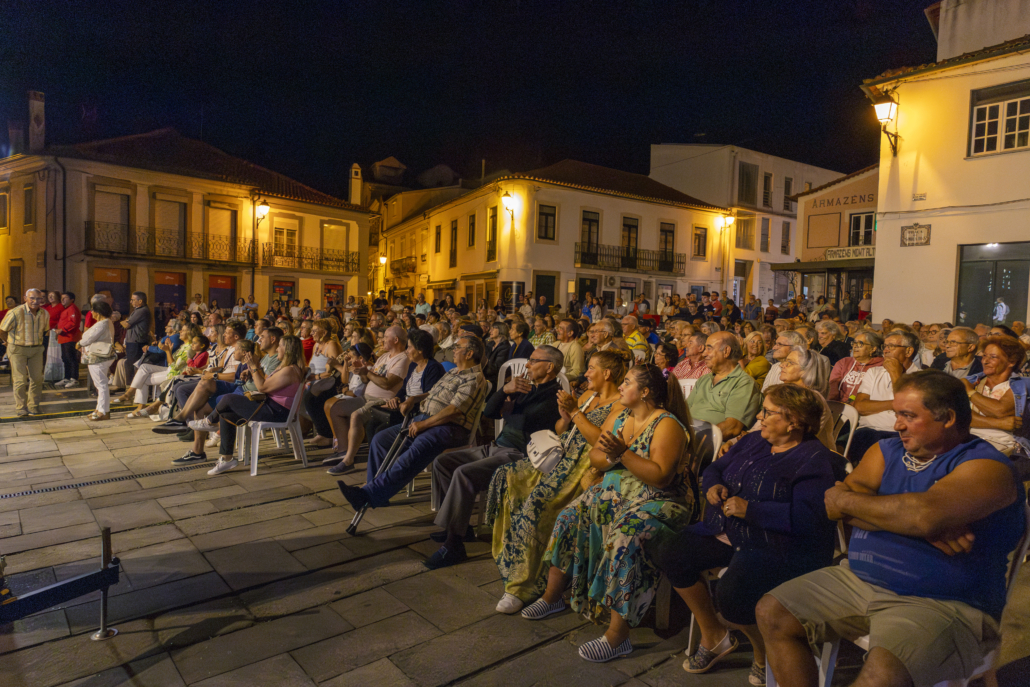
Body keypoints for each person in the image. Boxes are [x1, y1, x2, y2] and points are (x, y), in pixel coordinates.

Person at [759, 370, 1026, 687]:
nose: (897, 424)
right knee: (772, 611)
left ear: (949, 418)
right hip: (857, 580)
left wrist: (906, 515)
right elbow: (833, 504)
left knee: (881, 673)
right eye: (897, 414)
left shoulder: (987, 467)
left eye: (908, 415)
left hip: (942, 602)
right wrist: (909, 519)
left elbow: (922, 515)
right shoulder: (886, 452)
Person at [649, 385, 839, 684]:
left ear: (794, 421)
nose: (759, 417)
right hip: (728, 532)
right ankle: (714, 633)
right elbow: (716, 468)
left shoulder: (813, 459)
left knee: (733, 595)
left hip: (778, 545)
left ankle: (763, 653)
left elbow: (810, 518)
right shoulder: (754, 442)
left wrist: (752, 510)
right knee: (669, 551)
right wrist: (712, 485)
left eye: (768, 412)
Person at [524, 365, 696, 663]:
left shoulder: (666, 424)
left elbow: (660, 477)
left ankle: (618, 637)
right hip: (620, 490)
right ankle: (552, 597)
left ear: (644, 392)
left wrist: (621, 455)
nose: (620, 387)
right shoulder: (620, 417)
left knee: (627, 535)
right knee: (569, 515)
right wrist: (611, 456)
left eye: (627, 382)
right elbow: (595, 455)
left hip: (658, 500)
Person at [486, 349, 627, 613]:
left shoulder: (620, 404)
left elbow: (600, 440)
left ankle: (524, 586)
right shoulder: (587, 396)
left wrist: (576, 415)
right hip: (562, 454)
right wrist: (565, 416)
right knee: (507, 476)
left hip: (582, 466)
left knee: (539, 502)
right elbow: (563, 430)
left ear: (606, 373)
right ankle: (516, 561)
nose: (585, 373)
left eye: (591, 368)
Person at [425, 345, 564, 569]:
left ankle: (453, 546)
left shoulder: (554, 396)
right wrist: (505, 391)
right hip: (496, 446)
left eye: (533, 360)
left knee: (464, 473)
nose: (527, 364)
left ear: (550, 367)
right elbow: (489, 413)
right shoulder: (523, 387)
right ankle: (460, 527)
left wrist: (511, 404)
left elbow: (523, 422)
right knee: (443, 462)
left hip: (519, 455)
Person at [336, 335, 490, 511]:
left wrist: (423, 425)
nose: (453, 350)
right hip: (425, 419)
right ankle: (376, 492)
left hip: (448, 427)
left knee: (414, 451)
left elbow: (454, 410)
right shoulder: (454, 372)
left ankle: (368, 495)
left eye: (457, 347)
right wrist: (413, 399)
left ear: (469, 353)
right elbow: (432, 393)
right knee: (381, 439)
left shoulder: (475, 378)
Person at [197, 336, 307, 475]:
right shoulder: (285, 368)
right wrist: (252, 371)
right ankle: (227, 459)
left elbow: (262, 387)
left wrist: (254, 367)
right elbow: (267, 381)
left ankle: (209, 421)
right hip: (270, 406)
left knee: (228, 398)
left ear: (288, 350)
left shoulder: (289, 370)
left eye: (280, 346)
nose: (278, 348)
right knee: (226, 414)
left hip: (276, 411)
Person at [324, 326, 409, 473]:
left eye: (385, 337)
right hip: (367, 397)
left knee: (357, 415)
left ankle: (349, 460)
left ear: (396, 340)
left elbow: (388, 384)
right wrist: (361, 371)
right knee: (336, 408)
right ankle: (344, 450)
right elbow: (366, 380)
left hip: (383, 401)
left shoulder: (403, 359)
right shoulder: (384, 357)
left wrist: (367, 373)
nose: (381, 340)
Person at [848, 329, 922, 463]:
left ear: (908, 351)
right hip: (867, 432)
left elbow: (909, 411)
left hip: (899, 434)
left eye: (891, 346)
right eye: (885, 346)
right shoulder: (874, 372)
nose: (886, 350)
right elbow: (860, 406)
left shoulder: (921, 377)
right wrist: (895, 404)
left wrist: (896, 375)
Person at [688, 332, 762, 441]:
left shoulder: (743, 383)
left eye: (709, 348)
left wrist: (693, 440)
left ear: (726, 351)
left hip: (707, 446)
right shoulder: (704, 379)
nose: (704, 354)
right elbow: (684, 412)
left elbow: (732, 427)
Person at [965, 335, 1025, 454]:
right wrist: (999, 423)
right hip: (969, 441)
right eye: (984, 356)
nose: (985, 361)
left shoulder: (1022, 385)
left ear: (1011, 361)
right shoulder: (972, 381)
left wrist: (969, 392)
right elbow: (961, 417)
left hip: (1006, 446)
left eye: (993, 357)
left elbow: (999, 410)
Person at [0, 289, 50, 416]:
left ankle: (33, 406)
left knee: (37, 379)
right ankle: (21, 407)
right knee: (20, 380)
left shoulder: (45, 313)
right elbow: (2, 330)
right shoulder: (15, 312)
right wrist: (8, 342)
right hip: (18, 349)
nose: (35, 301)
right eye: (32, 298)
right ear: (25, 298)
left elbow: (45, 331)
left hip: (36, 349)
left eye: (38, 299)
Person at [303, 319, 346, 448]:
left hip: (329, 383)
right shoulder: (317, 345)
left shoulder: (331, 345)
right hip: (315, 380)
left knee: (311, 398)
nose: (312, 333)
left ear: (324, 332)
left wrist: (315, 377)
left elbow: (334, 371)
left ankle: (325, 434)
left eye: (315, 331)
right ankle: (317, 429)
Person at [828, 330, 884, 403]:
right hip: (839, 404)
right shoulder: (844, 362)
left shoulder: (881, 366)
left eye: (860, 343)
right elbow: (833, 387)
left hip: (863, 406)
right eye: (854, 343)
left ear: (873, 349)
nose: (855, 346)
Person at [54, 292, 82, 388]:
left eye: (65, 298)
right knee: (65, 358)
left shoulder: (72, 308)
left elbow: (73, 323)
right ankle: (67, 378)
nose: (62, 300)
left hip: (70, 337)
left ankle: (74, 379)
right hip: (64, 337)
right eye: (61, 298)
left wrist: (62, 330)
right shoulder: (65, 309)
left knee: (71, 358)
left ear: (72, 300)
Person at [121, 292, 152, 372]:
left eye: (133, 300)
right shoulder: (138, 310)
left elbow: (126, 325)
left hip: (136, 343)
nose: (131, 302)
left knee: (132, 365)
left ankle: (132, 384)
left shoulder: (141, 311)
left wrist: (120, 321)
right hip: (133, 342)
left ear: (140, 301)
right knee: (130, 364)